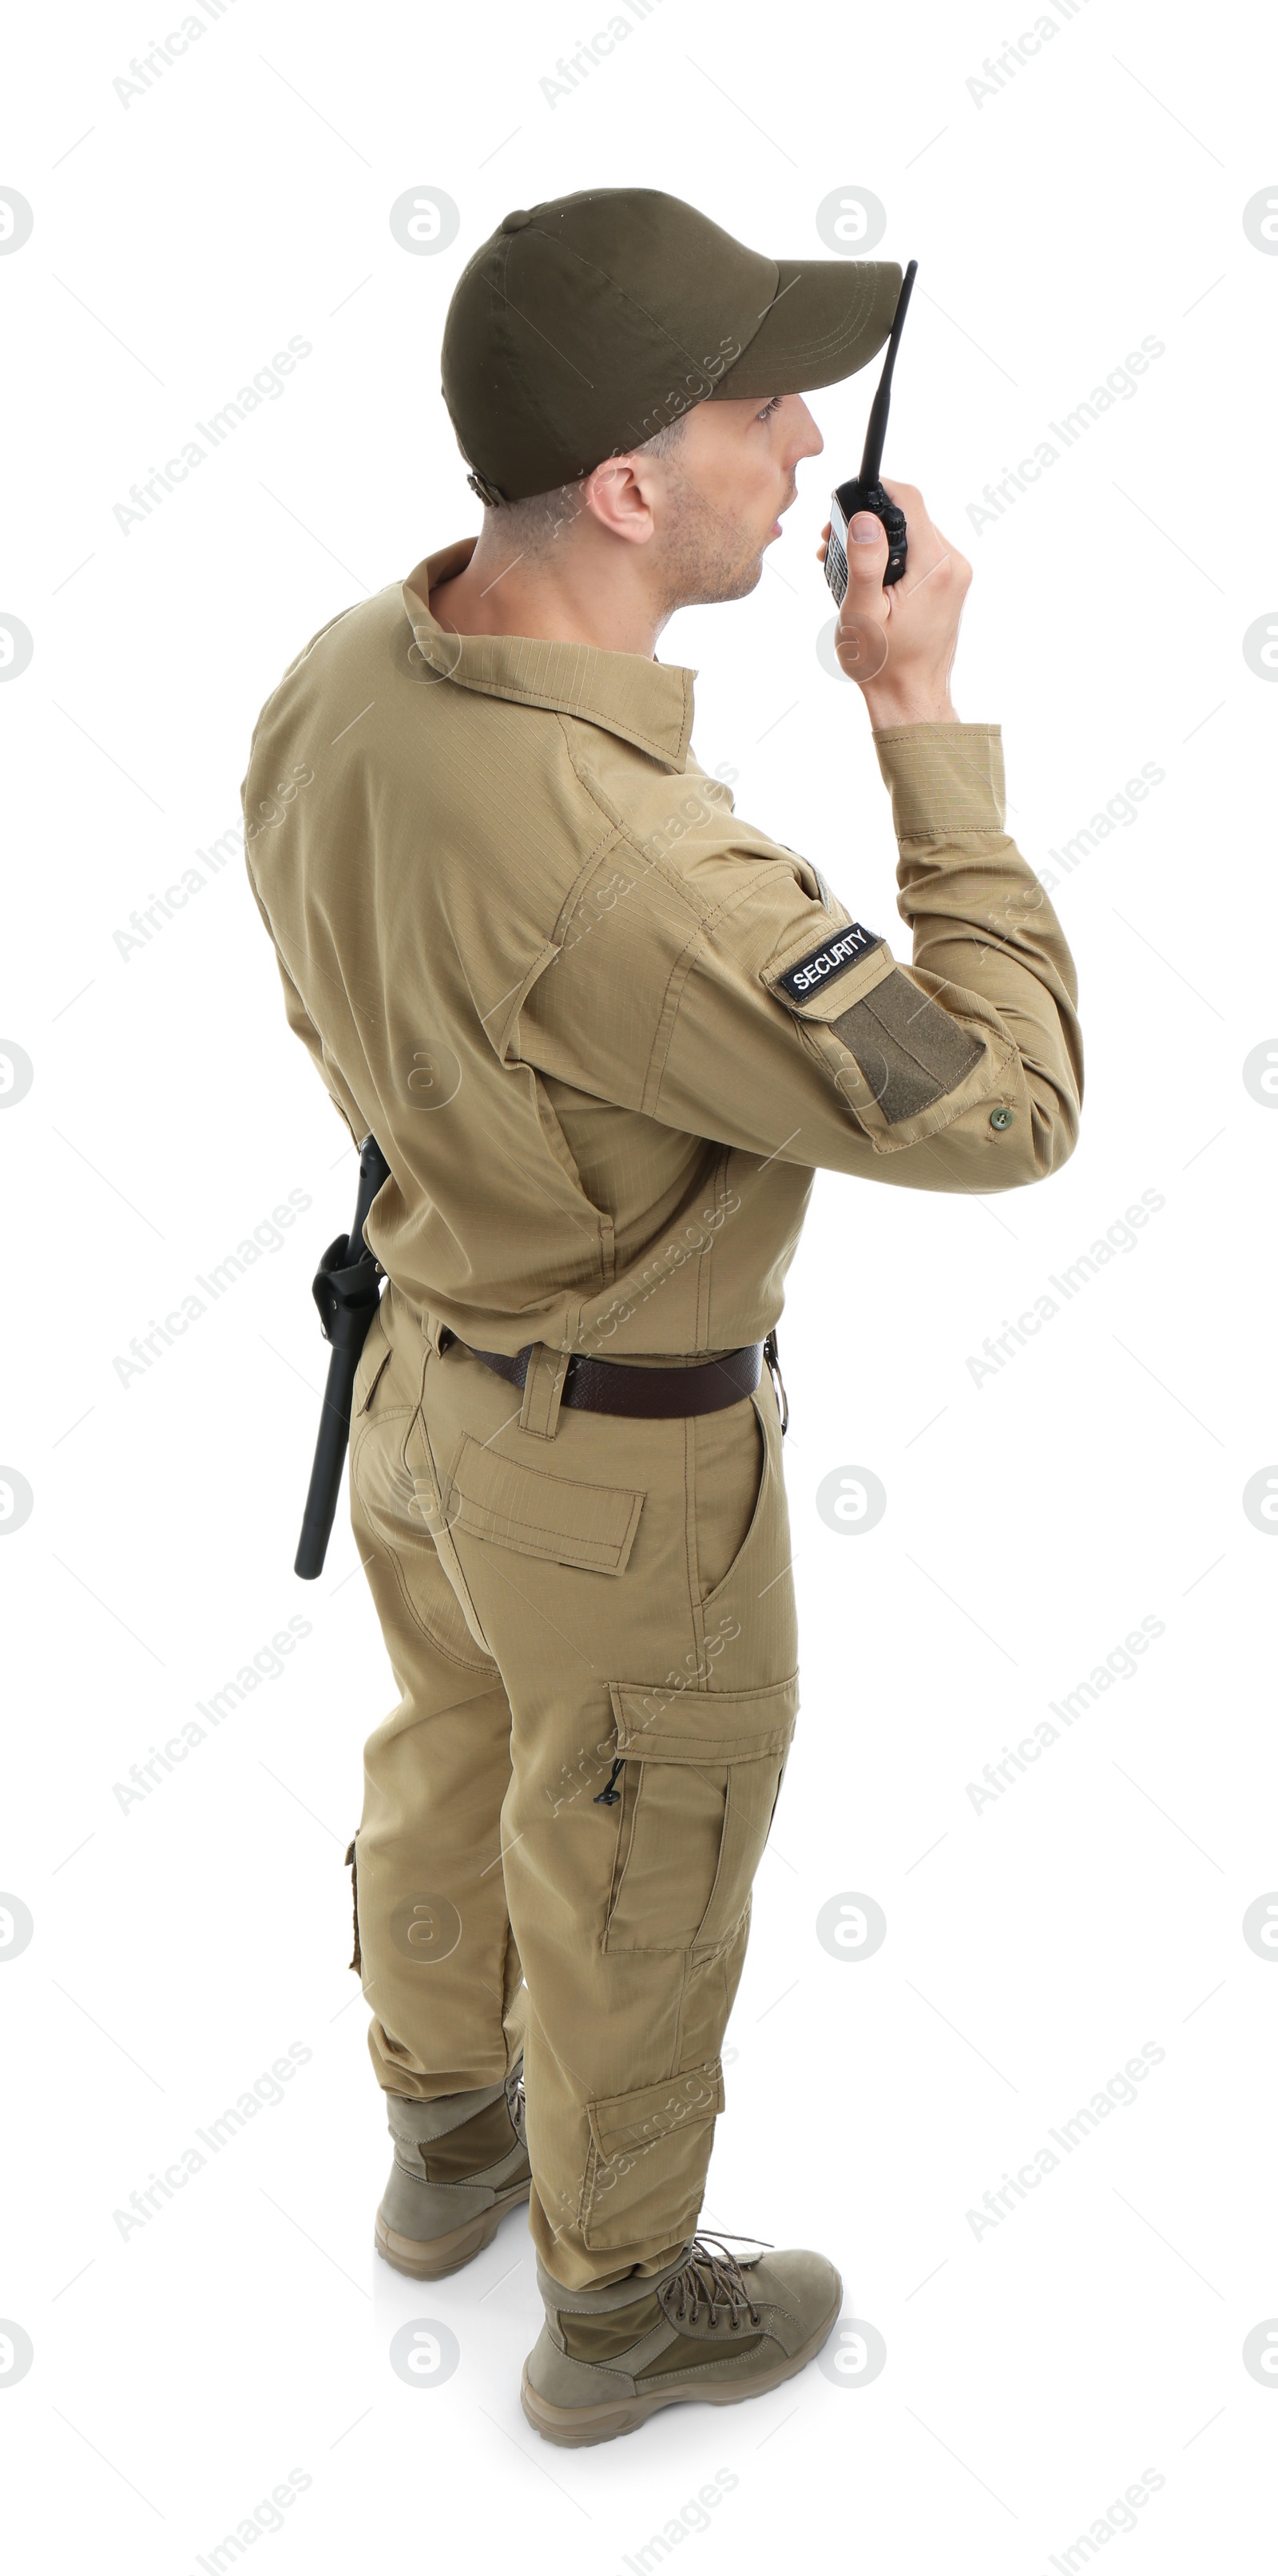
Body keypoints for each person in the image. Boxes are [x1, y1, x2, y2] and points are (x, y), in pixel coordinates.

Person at [242, 186, 1082, 2448]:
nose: (814, 441)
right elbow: (1010, 1111)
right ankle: (615, 2305)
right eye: (760, 407)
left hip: (420, 1375)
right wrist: (921, 717)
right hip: (625, 1476)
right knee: (637, 1858)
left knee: (452, 1757)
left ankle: (447, 2148)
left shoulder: (341, 673)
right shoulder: (650, 878)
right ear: (630, 489)